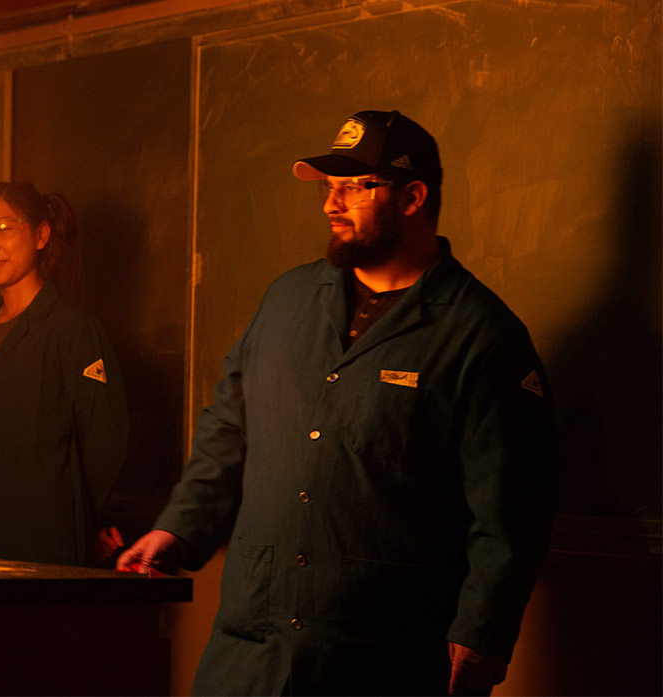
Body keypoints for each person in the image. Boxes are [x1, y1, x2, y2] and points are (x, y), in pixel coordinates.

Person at [117, 111, 556, 695]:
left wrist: (482, 630)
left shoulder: (481, 334)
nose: (332, 204)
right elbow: (228, 433)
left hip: (380, 654)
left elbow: (510, 509)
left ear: (412, 196)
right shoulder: (286, 300)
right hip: (252, 647)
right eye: (329, 188)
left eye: (354, 186)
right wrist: (177, 530)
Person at [0, 182, 128, 566]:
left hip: (47, 550)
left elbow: (104, 441)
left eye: (4, 228)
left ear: (41, 235)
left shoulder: (71, 328)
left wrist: (85, 522)